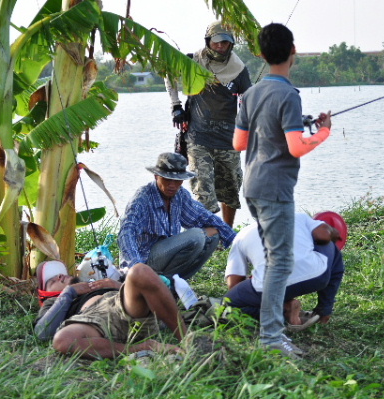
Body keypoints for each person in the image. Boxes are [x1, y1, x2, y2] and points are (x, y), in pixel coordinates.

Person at [232, 23, 332, 357]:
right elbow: (295, 148)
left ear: (260, 54)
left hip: (251, 186)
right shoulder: (288, 94)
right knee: (280, 263)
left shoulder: (250, 94)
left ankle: (274, 330)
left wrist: (298, 124)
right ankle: (272, 339)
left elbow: (239, 142)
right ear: (293, 51)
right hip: (275, 189)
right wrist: (323, 132)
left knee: (277, 259)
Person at [165, 21, 252, 227]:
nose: (220, 46)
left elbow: (249, 97)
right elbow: (168, 74)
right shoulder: (193, 61)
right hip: (198, 137)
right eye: (216, 42)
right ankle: (206, 238)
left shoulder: (238, 69)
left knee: (230, 189)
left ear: (231, 44)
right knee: (202, 189)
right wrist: (176, 106)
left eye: (225, 42)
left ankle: (227, 232)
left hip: (228, 139)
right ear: (208, 42)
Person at [118, 152, 236, 280]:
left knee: (213, 235)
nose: (172, 185)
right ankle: (153, 281)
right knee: (196, 236)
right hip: (146, 259)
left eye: (177, 180)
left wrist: (238, 242)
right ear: (156, 176)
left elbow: (204, 217)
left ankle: (173, 283)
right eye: (167, 179)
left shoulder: (180, 195)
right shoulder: (142, 198)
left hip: (168, 254)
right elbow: (126, 233)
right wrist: (136, 267)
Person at [34, 260, 186, 359]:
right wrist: (69, 292)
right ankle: (142, 348)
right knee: (63, 340)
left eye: (62, 275)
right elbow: (42, 333)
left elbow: (150, 290)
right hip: (93, 322)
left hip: (122, 305)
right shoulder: (54, 302)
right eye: (53, 281)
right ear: (46, 294)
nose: (60, 276)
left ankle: (188, 341)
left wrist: (118, 286)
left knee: (140, 271)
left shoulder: (100, 284)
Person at [224, 213, 345, 330]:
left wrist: (252, 290)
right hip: (316, 276)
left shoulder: (241, 235)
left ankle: (284, 310)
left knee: (227, 307)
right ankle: (324, 312)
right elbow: (323, 235)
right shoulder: (299, 217)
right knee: (330, 246)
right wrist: (333, 233)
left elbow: (234, 284)